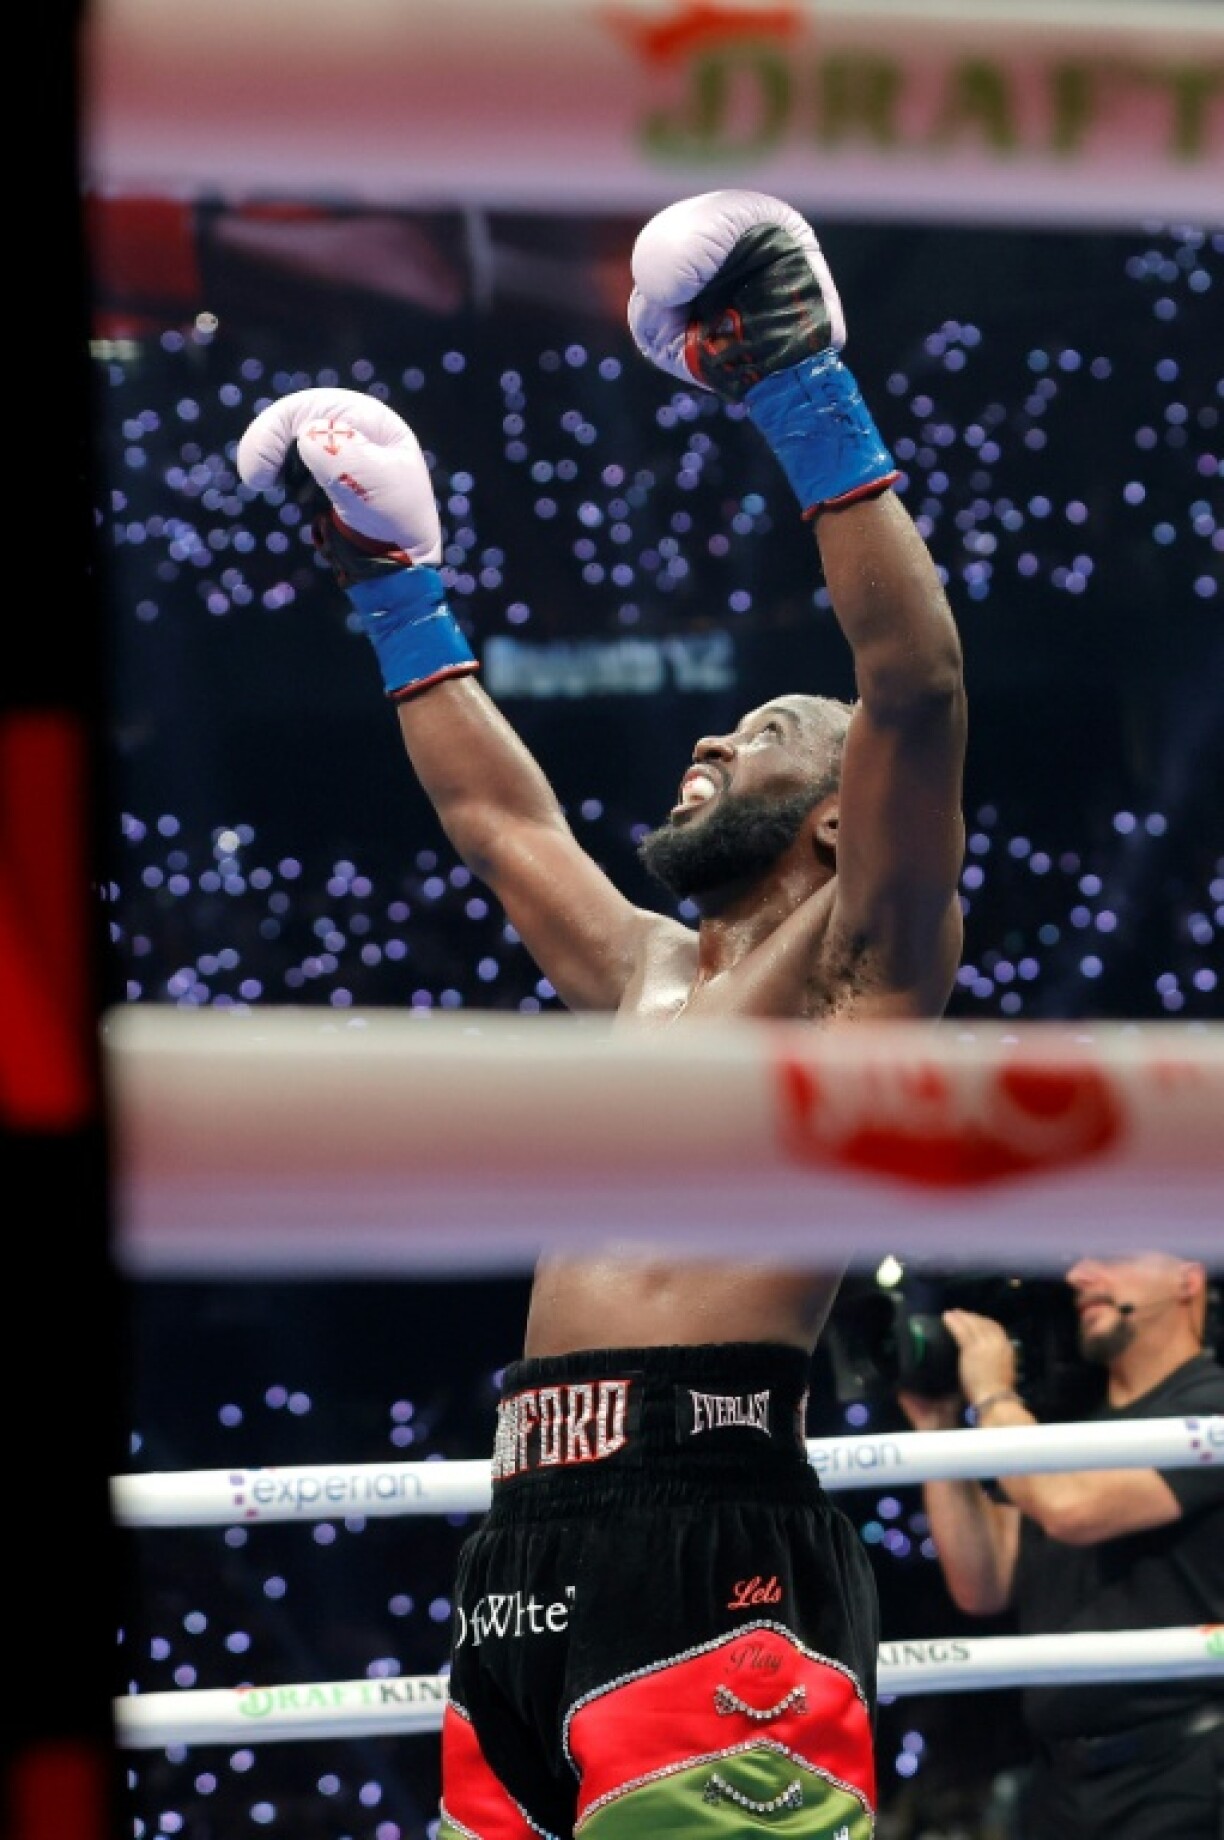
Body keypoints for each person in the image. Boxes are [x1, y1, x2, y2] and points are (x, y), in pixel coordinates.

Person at [238, 189, 968, 1840]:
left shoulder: (865, 975)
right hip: (520, 1542)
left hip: (715, 1535)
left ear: (844, 809)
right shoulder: (643, 973)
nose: (708, 742)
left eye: (761, 733)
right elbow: (501, 827)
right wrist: (393, 589)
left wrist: (792, 381)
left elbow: (911, 682)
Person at [898, 1251, 1224, 1840]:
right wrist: (938, 1427)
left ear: (1187, 1275)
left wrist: (994, 1394)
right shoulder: (1071, 1429)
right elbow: (985, 1582)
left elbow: (1072, 1507)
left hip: (1187, 1776)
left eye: (1112, 1253)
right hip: (1060, 1785)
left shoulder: (1212, 1406)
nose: (1080, 1275)